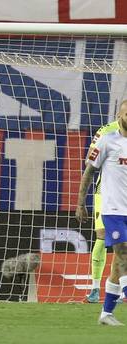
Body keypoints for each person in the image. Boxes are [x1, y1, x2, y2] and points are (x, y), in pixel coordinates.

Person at [76, 100, 127, 326]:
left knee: (117, 264)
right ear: (119, 115)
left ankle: (106, 313)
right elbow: (89, 170)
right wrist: (80, 202)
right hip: (113, 209)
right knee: (124, 252)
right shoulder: (108, 140)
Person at [85, 119, 120, 303]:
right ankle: (95, 288)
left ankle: (119, 288)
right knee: (102, 234)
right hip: (105, 190)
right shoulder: (107, 130)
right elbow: (90, 159)